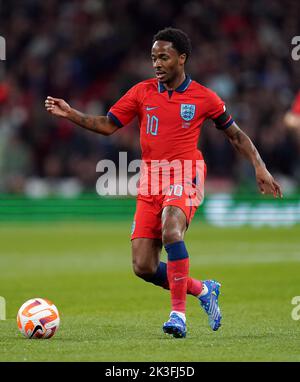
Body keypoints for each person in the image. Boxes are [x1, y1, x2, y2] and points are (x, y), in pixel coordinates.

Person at [45, 27, 282, 338]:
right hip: (151, 180)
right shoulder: (141, 92)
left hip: (187, 173)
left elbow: (236, 136)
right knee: (143, 266)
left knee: (172, 228)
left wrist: (259, 167)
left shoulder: (204, 97)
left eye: (164, 57)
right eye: (153, 57)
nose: (156, 63)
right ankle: (202, 289)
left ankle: (178, 315)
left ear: (181, 59)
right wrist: (71, 113)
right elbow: (107, 125)